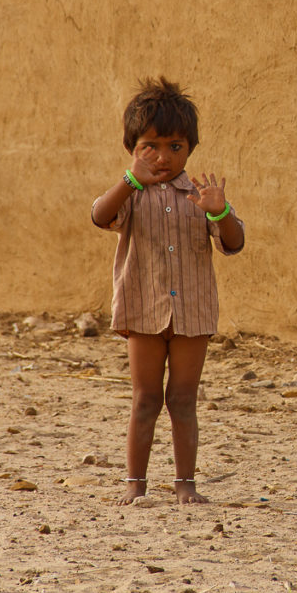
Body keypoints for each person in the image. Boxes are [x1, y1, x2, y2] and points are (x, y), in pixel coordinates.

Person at [92, 77, 245, 504]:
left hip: (192, 316)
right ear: (132, 149)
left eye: (175, 147)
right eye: (150, 147)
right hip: (144, 312)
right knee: (144, 399)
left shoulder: (201, 196)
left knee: (182, 399)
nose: (163, 158)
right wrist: (128, 180)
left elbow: (233, 243)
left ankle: (185, 484)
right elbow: (100, 216)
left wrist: (222, 212)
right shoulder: (130, 196)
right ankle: (134, 484)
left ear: (190, 149)